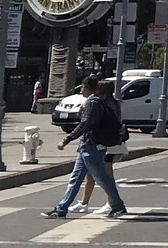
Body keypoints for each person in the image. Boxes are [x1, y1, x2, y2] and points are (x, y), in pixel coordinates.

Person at [43, 79, 127, 220]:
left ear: (87, 88)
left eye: (82, 87)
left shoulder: (92, 103)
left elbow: (86, 124)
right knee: (75, 179)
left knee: (101, 178)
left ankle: (118, 207)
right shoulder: (97, 101)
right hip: (88, 146)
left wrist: (66, 139)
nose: (80, 89)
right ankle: (61, 209)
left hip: (92, 146)